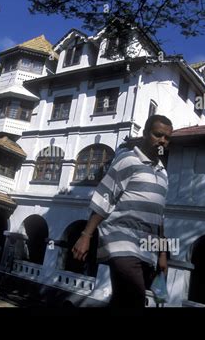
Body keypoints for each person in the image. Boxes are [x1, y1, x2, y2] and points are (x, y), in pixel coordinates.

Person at [72, 115, 173, 307]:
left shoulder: (163, 173)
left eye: (167, 138)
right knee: (135, 298)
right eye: (157, 135)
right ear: (144, 134)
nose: (162, 141)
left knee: (123, 300)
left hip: (147, 248)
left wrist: (162, 254)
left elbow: (159, 216)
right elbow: (105, 197)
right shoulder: (127, 160)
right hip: (121, 240)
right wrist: (86, 235)